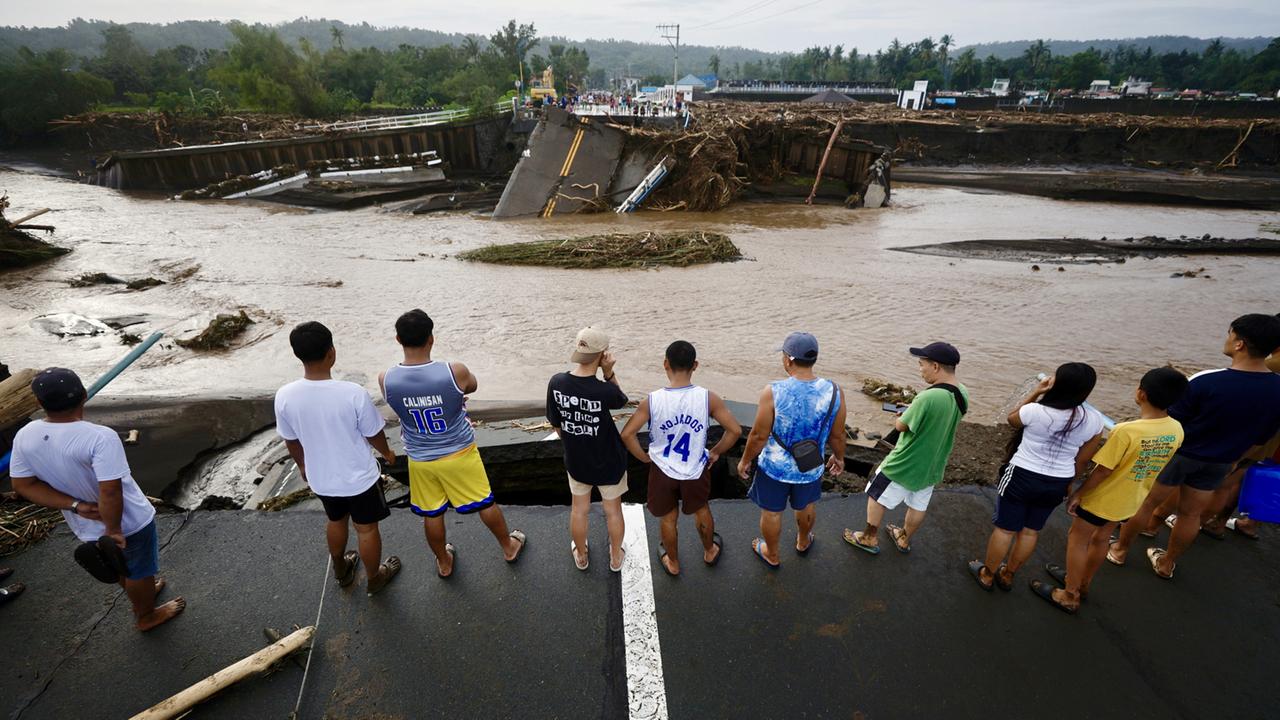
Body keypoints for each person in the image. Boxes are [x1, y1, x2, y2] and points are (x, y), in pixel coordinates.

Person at [10, 368, 185, 631]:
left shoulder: (27, 434)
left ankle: (142, 592)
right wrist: (113, 530)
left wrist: (75, 506)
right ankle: (146, 615)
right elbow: (111, 491)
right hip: (127, 521)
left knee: (119, 564)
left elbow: (23, 485)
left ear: (38, 403)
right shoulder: (99, 436)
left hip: (84, 523)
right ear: (84, 395)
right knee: (139, 569)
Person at [1111, 314, 1280, 578]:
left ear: (1240, 344)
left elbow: (1170, 421)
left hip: (1180, 453)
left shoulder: (1207, 380)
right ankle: (1166, 563)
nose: (1227, 339)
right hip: (1222, 460)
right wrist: (1235, 459)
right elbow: (1262, 436)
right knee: (1191, 514)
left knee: (1146, 503)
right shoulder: (1277, 388)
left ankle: (1120, 550)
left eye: (1230, 334)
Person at [380, 309, 526, 578]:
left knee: (432, 513)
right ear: (431, 338)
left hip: (420, 457)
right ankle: (508, 546)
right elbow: (471, 386)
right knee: (484, 502)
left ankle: (444, 562)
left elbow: (398, 404)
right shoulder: (453, 371)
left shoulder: (386, 378)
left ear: (398, 339)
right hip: (459, 452)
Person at [1030, 367, 1187, 612]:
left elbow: (1103, 470)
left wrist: (1079, 493)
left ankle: (1069, 594)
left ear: (1141, 394)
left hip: (1102, 498)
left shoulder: (1126, 431)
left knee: (1078, 539)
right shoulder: (1176, 429)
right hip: (1131, 498)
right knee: (1101, 539)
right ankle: (1081, 583)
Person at [275, 321, 402, 596]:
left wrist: (302, 465)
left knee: (336, 520)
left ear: (297, 355)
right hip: (359, 478)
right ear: (332, 352)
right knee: (366, 528)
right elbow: (373, 433)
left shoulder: (285, 396)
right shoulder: (352, 393)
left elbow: (291, 439)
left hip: (322, 478)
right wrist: (388, 454)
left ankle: (341, 567)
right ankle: (375, 576)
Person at [967, 363, 1104, 589]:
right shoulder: (1095, 420)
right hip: (1058, 481)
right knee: (1030, 531)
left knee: (1005, 528)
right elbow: (1081, 460)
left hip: (1022, 475)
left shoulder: (1036, 411)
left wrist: (1038, 391)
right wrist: (1069, 484)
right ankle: (1009, 574)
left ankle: (987, 574)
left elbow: (1012, 419)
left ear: (1057, 383)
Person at [620, 341, 742, 575]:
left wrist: (645, 458)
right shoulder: (708, 398)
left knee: (668, 517)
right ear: (695, 365)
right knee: (701, 509)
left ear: (665, 364)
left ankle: (673, 563)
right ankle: (709, 551)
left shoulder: (652, 400)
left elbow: (627, 434)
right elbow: (735, 431)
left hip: (662, 470)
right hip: (695, 468)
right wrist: (715, 451)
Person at [845, 343, 966, 555]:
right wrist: (915, 411)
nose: (920, 370)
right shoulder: (962, 392)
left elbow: (901, 426)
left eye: (922, 365)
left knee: (876, 493)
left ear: (935, 366)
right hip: (934, 463)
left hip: (905, 461)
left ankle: (868, 538)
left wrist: (902, 415)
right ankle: (903, 539)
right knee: (918, 503)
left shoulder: (927, 397)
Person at [737, 332, 845, 569]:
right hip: (811, 466)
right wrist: (839, 457)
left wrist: (745, 460)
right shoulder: (834, 391)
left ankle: (772, 554)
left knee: (772, 512)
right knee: (806, 505)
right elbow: (837, 434)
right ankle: (804, 541)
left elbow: (758, 435)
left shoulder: (773, 391)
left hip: (775, 468)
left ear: (788, 359)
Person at [547, 327, 630, 572]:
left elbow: (557, 424)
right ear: (602, 354)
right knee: (613, 511)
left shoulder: (557, 382)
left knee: (579, 510)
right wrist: (609, 371)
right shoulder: (603, 390)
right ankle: (615, 557)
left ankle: (581, 555)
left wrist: (575, 439)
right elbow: (620, 399)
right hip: (609, 460)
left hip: (577, 460)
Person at [1198, 320, 1280, 540]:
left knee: (1223, 483)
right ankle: (1222, 522)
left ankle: (1196, 520)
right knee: (1234, 479)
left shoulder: (1271, 367)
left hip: (1244, 438)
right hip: (1266, 439)